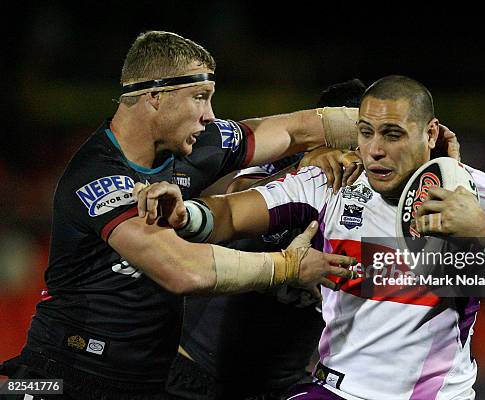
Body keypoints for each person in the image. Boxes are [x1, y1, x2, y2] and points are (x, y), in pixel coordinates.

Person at [135, 75, 485, 400]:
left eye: (392, 134)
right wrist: (185, 211)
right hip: (323, 388)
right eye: (364, 133)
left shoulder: (474, 192)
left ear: (429, 134)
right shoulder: (329, 180)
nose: (374, 149)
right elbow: (228, 212)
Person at [0, 30, 363, 400]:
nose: (210, 115)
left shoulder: (198, 145)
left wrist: (391, 136)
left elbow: (294, 129)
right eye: (200, 98)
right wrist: (288, 266)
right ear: (154, 96)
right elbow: (182, 269)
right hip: (64, 376)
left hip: (146, 384)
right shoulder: (98, 178)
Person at [165, 79, 367, 400]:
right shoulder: (286, 161)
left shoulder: (381, 202)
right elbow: (234, 200)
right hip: (195, 368)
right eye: (354, 137)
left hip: (278, 386)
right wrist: (302, 168)